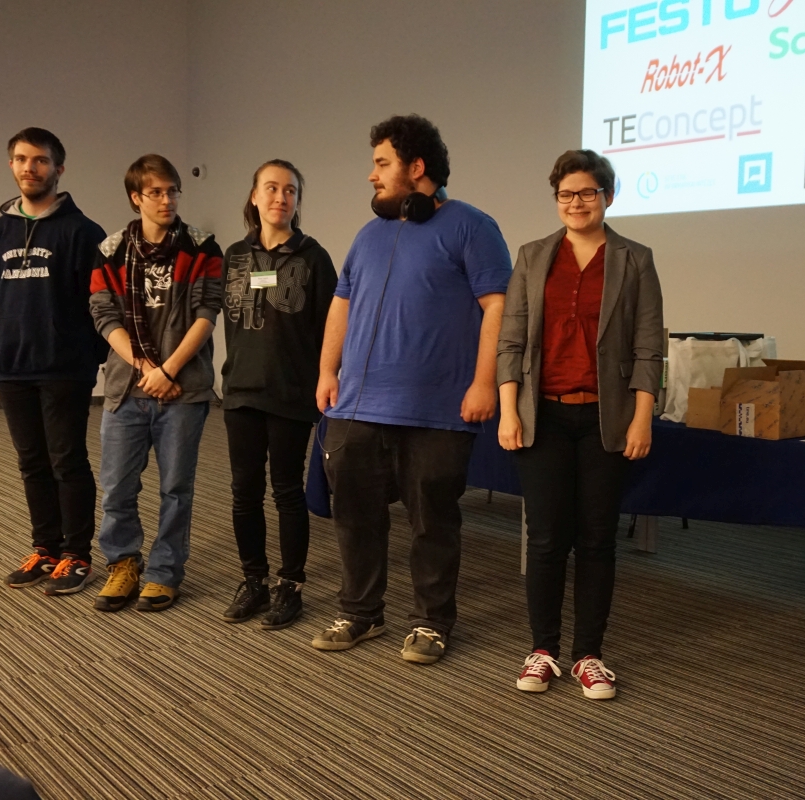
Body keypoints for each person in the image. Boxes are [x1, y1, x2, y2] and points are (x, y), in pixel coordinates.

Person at [314, 114, 512, 664]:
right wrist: (328, 372)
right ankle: (361, 612)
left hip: (438, 408)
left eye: (382, 163)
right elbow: (341, 306)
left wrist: (484, 382)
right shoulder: (368, 235)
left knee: (432, 520)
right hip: (359, 403)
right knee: (355, 514)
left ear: (416, 167)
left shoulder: (472, 226)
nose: (372, 175)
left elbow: (498, 307)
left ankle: (431, 621)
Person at [496, 149, 663, 700]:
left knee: (596, 539)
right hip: (542, 415)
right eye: (565, 194)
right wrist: (508, 410)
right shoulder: (533, 255)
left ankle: (589, 654)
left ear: (607, 196)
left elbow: (648, 348)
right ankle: (543, 649)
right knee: (545, 538)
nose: (576, 203)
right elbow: (511, 342)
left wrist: (642, 419)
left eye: (587, 192)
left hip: (605, 418)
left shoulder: (635, 259)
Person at [88, 154, 224, 613]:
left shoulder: (202, 248)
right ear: (136, 198)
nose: (167, 200)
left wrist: (168, 372)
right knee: (117, 487)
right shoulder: (110, 251)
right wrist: (146, 367)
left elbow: (207, 313)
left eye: (172, 191)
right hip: (126, 387)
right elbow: (103, 315)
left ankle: (165, 573)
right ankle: (123, 563)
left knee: (176, 489)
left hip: (182, 390)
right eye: (156, 193)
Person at [0, 127, 107, 595]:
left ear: (58, 169)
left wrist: (85, 354)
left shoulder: (83, 232)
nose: (29, 168)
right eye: (20, 159)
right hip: (12, 365)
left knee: (67, 461)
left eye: (39, 160)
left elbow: (98, 301)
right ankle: (46, 548)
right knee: (31, 462)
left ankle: (77, 555)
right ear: (11, 165)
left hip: (64, 366)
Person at [219, 160, 337, 627]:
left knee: (286, 489)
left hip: (290, 392)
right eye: (271, 188)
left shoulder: (313, 258)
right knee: (243, 491)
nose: (280, 197)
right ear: (254, 196)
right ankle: (254, 581)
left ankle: (291, 585)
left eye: (290, 191)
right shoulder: (234, 255)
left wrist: (328, 377)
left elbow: (331, 328)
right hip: (240, 391)